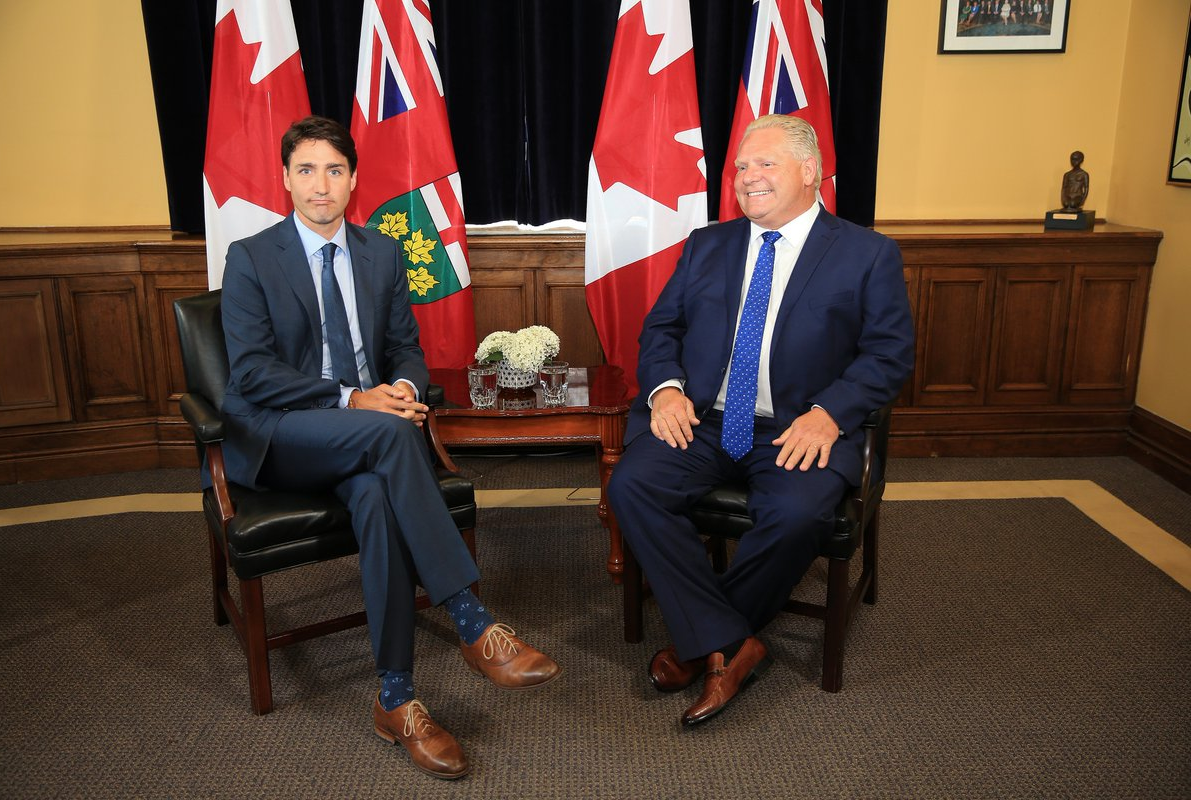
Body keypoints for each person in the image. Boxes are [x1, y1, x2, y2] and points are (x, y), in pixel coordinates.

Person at [218, 115, 559, 779]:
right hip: (282, 433)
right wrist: (354, 398)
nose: (321, 185)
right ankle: (470, 618)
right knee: (389, 431)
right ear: (285, 179)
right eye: (307, 170)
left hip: (365, 442)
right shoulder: (252, 257)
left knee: (376, 495)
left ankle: (396, 700)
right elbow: (252, 374)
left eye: (334, 170)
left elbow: (405, 345)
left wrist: (402, 386)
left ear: (353, 180)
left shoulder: (380, 252)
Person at [607, 115, 914, 727]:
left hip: (798, 426)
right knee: (632, 486)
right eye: (741, 167)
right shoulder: (708, 244)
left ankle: (702, 640)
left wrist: (831, 413)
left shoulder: (866, 253)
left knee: (798, 514)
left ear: (810, 171)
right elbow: (662, 328)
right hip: (704, 419)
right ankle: (728, 643)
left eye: (764, 164)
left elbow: (889, 353)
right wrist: (666, 391)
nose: (748, 177)